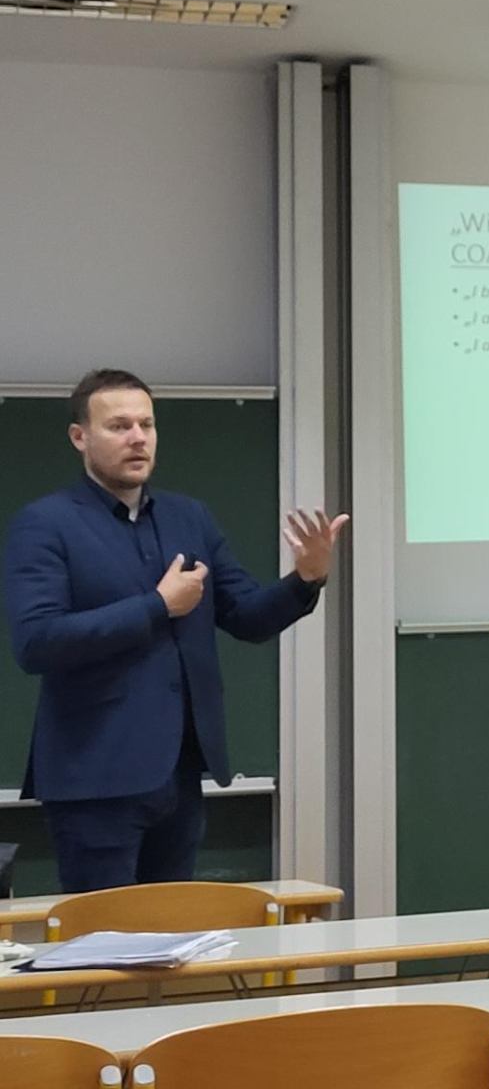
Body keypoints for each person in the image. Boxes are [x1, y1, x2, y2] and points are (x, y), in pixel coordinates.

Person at [1, 368, 347, 892]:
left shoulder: (189, 518)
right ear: (80, 437)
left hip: (179, 774)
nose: (137, 438)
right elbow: (37, 642)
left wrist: (306, 578)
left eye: (146, 424)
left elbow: (247, 616)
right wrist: (157, 606)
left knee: (170, 930)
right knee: (105, 935)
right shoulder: (46, 524)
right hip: (95, 777)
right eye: (119, 426)